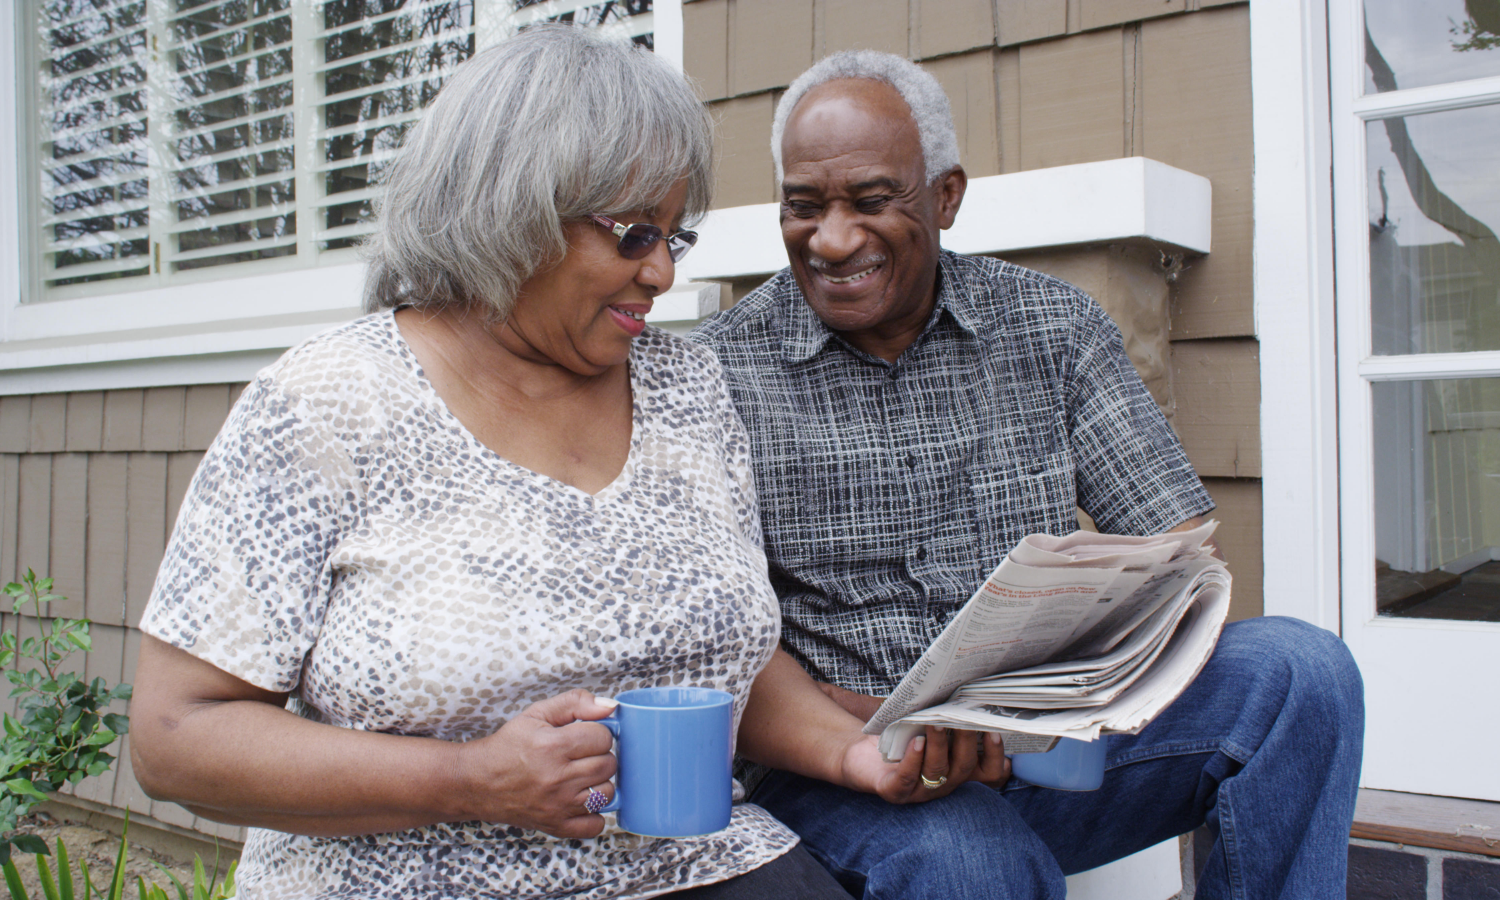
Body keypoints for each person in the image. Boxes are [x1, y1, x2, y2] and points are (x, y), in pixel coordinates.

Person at [128, 27, 951, 900]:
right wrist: (470, 777)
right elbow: (177, 734)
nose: (664, 273)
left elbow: (730, 667)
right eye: (635, 234)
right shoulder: (327, 403)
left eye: (679, 236)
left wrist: (855, 752)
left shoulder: (687, 388)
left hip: (688, 860)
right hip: (403, 876)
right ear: (512, 212)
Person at [692, 50, 1365, 899]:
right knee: (969, 859)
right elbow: (710, 634)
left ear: (945, 196)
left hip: (1050, 755)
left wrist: (1068, 707)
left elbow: (1179, 553)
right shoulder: (717, 376)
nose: (831, 239)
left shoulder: (1052, 327)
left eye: (871, 201)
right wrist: (848, 727)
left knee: (1302, 673)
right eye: (803, 206)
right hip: (846, 773)